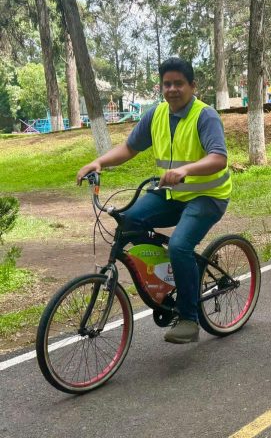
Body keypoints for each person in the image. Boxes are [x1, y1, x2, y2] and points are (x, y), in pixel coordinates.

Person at [75, 57, 232, 344]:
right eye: (167, 84)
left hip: (208, 196)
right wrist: (98, 162)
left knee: (180, 246)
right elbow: (129, 148)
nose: (172, 89)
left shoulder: (205, 116)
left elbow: (218, 158)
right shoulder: (157, 114)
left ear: (192, 86)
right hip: (172, 194)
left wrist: (185, 170)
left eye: (178, 83)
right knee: (130, 221)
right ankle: (170, 274)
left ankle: (189, 318)